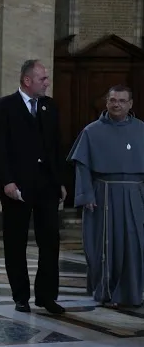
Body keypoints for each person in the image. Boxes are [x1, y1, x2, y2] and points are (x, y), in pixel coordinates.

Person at [0, 59, 67, 315]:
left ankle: (47, 296)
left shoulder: (49, 106)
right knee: (15, 242)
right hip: (16, 187)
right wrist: (7, 181)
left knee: (50, 241)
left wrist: (61, 181)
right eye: (43, 78)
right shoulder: (4, 106)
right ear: (27, 80)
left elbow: (56, 147)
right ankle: (21, 296)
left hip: (46, 186)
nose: (47, 82)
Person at [67, 85, 144, 309]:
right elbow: (82, 166)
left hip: (135, 195)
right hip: (103, 195)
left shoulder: (141, 129)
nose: (116, 104)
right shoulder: (91, 131)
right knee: (104, 246)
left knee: (135, 245)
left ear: (130, 104)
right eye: (112, 100)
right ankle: (105, 290)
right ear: (106, 102)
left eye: (121, 100)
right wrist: (86, 194)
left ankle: (132, 292)